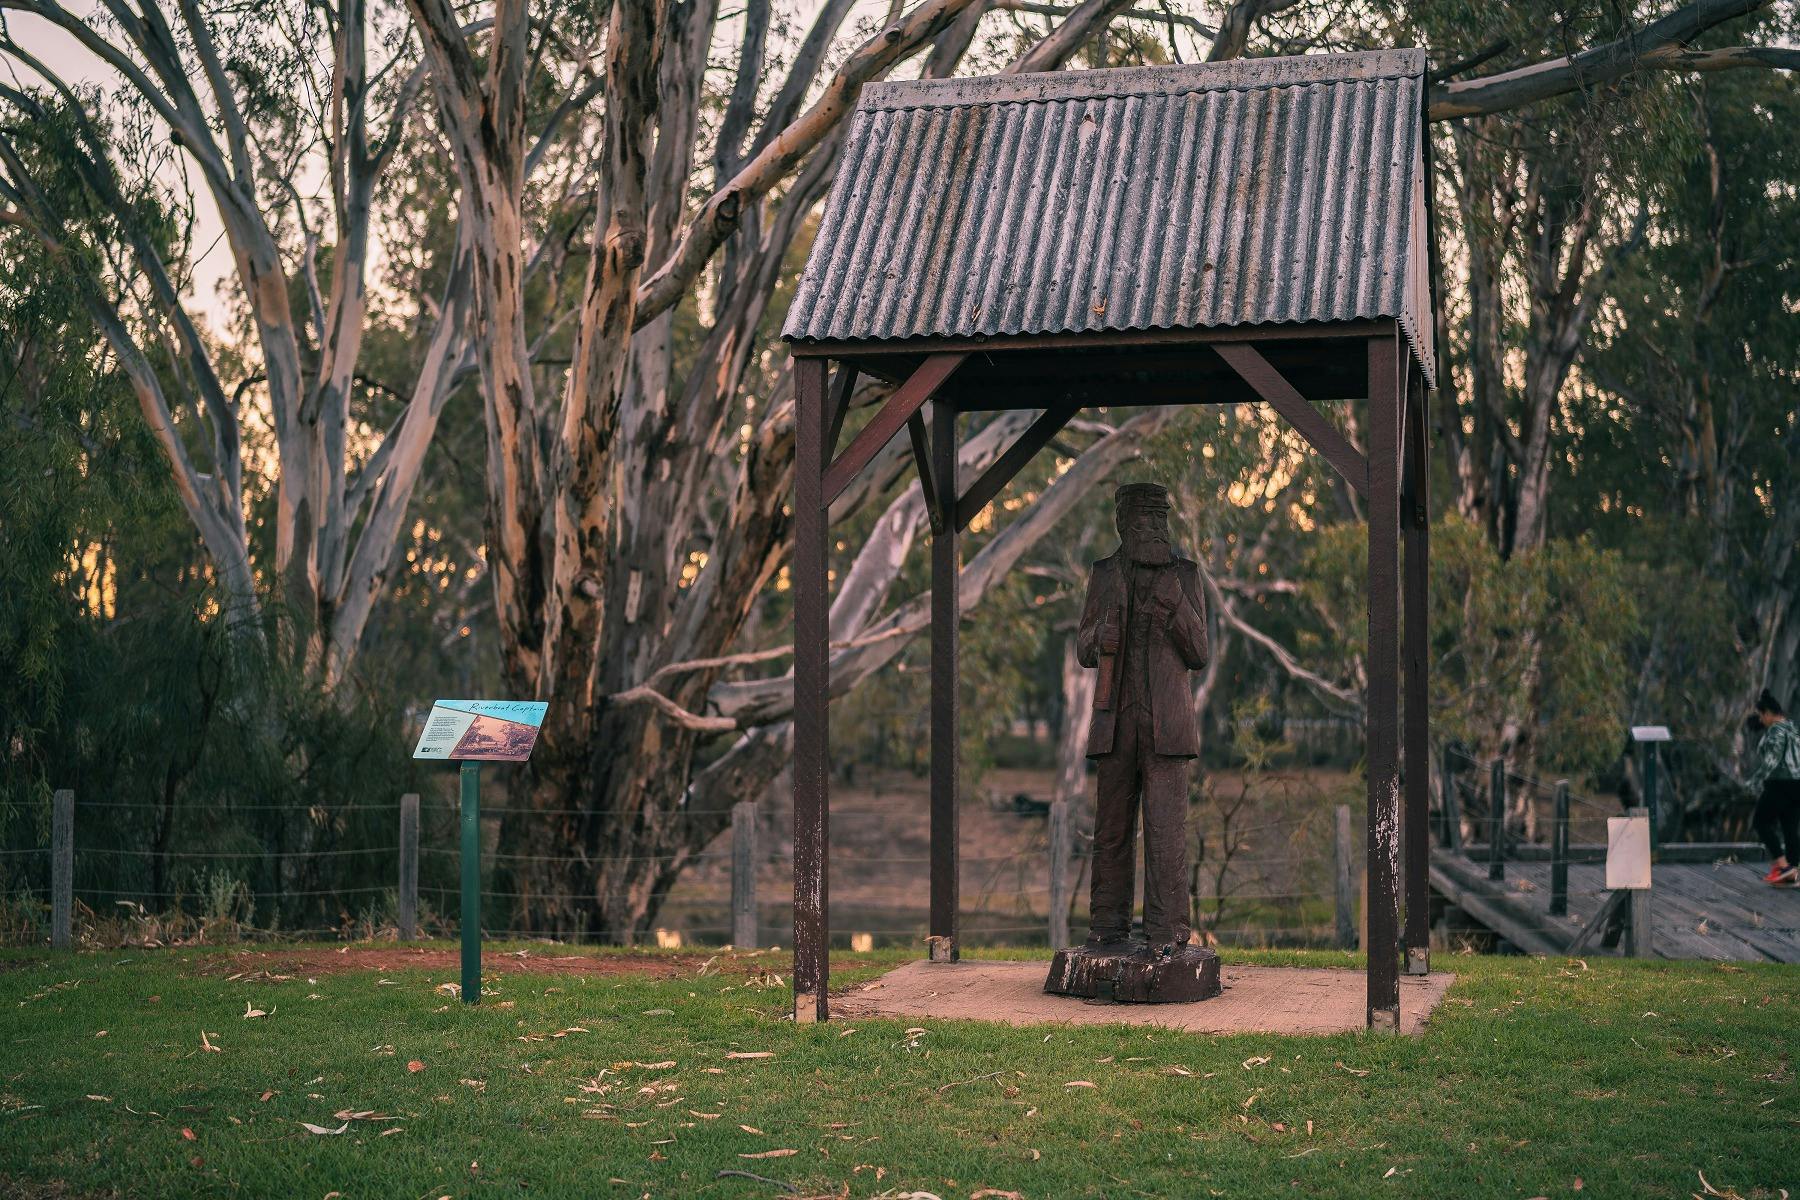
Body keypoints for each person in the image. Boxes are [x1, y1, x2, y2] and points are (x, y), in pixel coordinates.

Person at [1073, 483, 1209, 957]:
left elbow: (1200, 652)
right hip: (1115, 722)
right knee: (1111, 830)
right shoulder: (1104, 574)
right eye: (1144, 522)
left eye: (1160, 521)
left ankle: (1167, 932)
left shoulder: (1185, 577)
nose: (1154, 530)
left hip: (1167, 727)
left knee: (1166, 831)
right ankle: (1106, 929)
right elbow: (1082, 647)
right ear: (1122, 526)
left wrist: (1175, 609)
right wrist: (1098, 639)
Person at [1746, 689, 1800, 886]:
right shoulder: (1793, 728)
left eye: (1761, 715)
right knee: (1790, 828)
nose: (1761, 720)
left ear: (1768, 713)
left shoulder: (1776, 731)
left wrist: (1754, 781)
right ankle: (1793, 873)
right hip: (1797, 784)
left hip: (1780, 783)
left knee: (1761, 822)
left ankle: (1783, 865)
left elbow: (1772, 760)